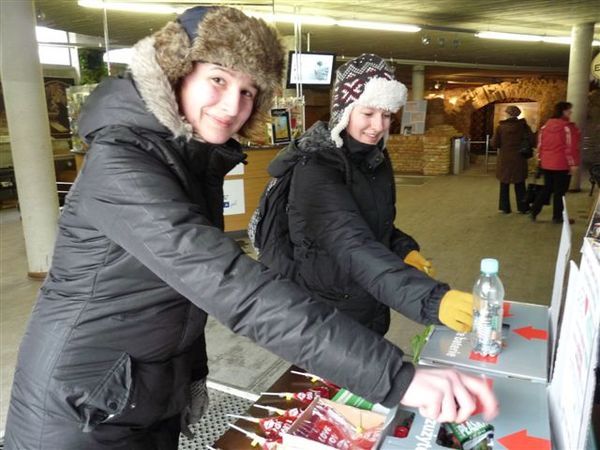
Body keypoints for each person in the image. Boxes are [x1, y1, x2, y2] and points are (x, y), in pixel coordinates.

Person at [4, 9, 497, 450]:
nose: (231, 105)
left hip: (145, 388)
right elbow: (232, 286)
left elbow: (182, 293)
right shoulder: (123, 163)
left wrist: (190, 375)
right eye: (218, 80)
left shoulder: (190, 158)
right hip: (80, 405)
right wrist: (398, 378)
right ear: (176, 73)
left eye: (247, 92)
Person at [256, 54, 475, 338]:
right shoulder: (316, 167)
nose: (378, 126)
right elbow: (350, 242)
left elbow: (375, 224)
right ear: (344, 112)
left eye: (386, 115)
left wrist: (403, 249)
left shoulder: (375, 158)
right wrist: (431, 300)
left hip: (368, 295)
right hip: (327, 306)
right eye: (368, 114)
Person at [531, 101, 580, 223]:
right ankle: (557, 216)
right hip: (562, 164)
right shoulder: (567, 128)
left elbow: (540, 146)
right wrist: (573, 164)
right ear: (563, 111)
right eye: (569, 110)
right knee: (560, 192)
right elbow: (571, 147)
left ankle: (534, 211)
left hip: (547, 163)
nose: (571, 112)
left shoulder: (544, 127)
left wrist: (540, 160)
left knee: (547, 188)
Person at [490, 105, 535, 214]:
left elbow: (495, 144)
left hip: (505, 159)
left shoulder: (500, 128)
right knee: (520, 184)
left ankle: (504, 208)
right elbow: (533, 141)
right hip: (519, 159)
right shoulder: (524, 127)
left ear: (508, 114)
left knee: (504, 184)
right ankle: (523, 208)